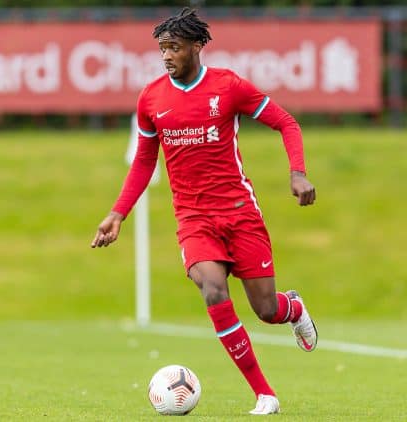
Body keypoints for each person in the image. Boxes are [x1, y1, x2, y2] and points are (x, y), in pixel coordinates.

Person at [90, 7, 318, 416]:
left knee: (267, 310)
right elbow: (144, 162)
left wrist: (297, 173)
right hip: (194, 220)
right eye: (162, 48)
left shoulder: (228, 87)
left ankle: (294, 309)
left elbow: (286, 122)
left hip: (240, 212)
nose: (166, 56)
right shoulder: (152, 98)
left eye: (174, 47)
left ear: (197, 46)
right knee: (213, 289)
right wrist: (118, 213)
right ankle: (264, 394)